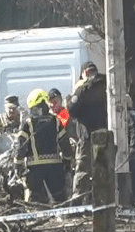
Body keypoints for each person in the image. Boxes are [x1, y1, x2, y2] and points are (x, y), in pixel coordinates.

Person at [14, 89, 72, 203]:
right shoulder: (55, 121)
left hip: (35, 171)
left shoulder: (28, 123)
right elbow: (65, 144)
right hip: (55, 168)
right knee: (59, 201)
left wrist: (18, 165)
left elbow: (21, 147)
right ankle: (63, 220)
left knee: (35, 204)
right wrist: (67, 161)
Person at [66, 61, 107, 201]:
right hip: (106, 136)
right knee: (103, 170)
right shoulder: (108, 84)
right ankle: (103, 201)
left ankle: (77, 204)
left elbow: (71, 109)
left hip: (88, 137)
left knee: (83, 171)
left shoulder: (83, 89)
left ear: (86, 73)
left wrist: (71, 97)